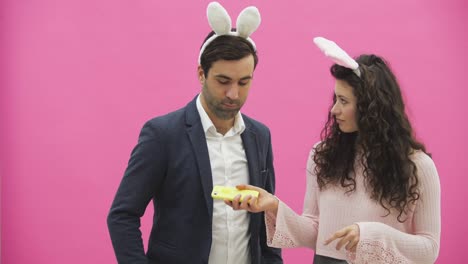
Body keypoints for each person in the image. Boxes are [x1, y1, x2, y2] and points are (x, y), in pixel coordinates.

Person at [226, 37, 441, 264]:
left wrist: (371, 235)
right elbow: (316, 232)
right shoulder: (323, 156)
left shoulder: (417, 166)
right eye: (335, 99)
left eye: (343, 101)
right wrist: (274, 206)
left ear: (371, 108)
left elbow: (429, 248)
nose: (334, 109)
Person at [107, 2, 282, 264]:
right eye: (223, 81)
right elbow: (122, 215)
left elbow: (267, 218)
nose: (234, 94)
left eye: (244, 82)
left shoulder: (260, 135)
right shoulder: (162, 134)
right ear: (201, 73)